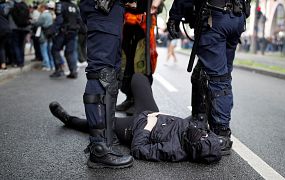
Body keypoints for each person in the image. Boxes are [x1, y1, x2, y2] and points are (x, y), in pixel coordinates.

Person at [49, 73, 222, 164]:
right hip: (151, 112)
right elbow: (203, 126)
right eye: (206, 135)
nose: (204, 134)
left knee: (99, 125)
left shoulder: (173, 150)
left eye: (202, 138)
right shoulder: (201, 134)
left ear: (194, 149)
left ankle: (68, 119)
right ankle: (130, 101)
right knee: (138, 78)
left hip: (135, 127)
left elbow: (138, 149)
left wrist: (149, 126)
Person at [167, 0, 247, 155]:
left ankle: (221, 132)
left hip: (215, 16)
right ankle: (200, 117)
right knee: (212, 72)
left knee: (217, 78)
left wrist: (175, 15)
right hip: (237, 16)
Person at [78, 0, 133, 169]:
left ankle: (106, 140)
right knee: (102, 73)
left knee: (110, 73)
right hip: (103, 6)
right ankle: (99, 147)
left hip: (111, 8)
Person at [115, 0, 163, 113]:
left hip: (144, 22)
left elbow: (156, 4)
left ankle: (140, 101)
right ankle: (129, 98)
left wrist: (155, 4)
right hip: (126, 21)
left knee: (142, 62)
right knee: (125, 61)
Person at [49, 0, 81, 78]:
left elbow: (59, 20)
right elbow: (79, 19)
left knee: (55, 49)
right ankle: (73, 71)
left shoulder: (60, 4)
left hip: (63, 32)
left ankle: (59, 70)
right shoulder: (74, 6)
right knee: (70, 52)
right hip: (73, 32)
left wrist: (51, 31)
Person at [34, 3, 54, 71]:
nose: (39, 9)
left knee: (44, 50)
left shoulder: (43, 15)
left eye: (40, 8)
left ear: (43, 8)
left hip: (43, 34)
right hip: (50, 34)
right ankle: (52, 65)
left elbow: (37, 23)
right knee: (50, 51)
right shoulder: (50, 14)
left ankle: (47, 65)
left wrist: (34, 22)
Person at [0, 0, 12, 70]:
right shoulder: (3, 10)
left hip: (1, 30)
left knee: (1, 47)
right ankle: (3, 64)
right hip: (6, 29)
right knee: (2, 47)